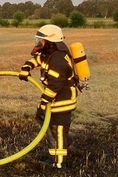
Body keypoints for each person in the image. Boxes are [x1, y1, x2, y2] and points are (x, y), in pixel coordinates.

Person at [18, 24, 77, 168]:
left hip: (62, 101)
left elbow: (54, 85)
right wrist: (27, 67)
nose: (39, 43)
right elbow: (38, 60)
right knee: (50, 128)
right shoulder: (50, 54)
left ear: (50, 42)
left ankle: (59, 163)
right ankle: (53, 157)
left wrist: (43, 104)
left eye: (41, 40)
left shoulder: (58, 60)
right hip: (54, 100)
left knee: (59, 130)